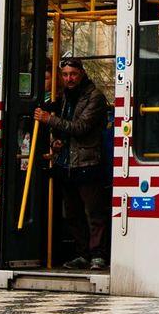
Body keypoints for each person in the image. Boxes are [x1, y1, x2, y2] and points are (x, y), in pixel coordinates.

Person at [34, 57, 110, 271]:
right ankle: (82, 252)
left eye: (73, 74)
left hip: (88, 161)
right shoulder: (65, 96)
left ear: (82, 74)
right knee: (72, 213)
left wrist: (50, 119)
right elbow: (67, 130)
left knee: (93, 211)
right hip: (66, 161)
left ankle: (98, 254)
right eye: (65, 75)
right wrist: (57, 141)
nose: (69, 78)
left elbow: (80, 127)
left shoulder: (95, 97)